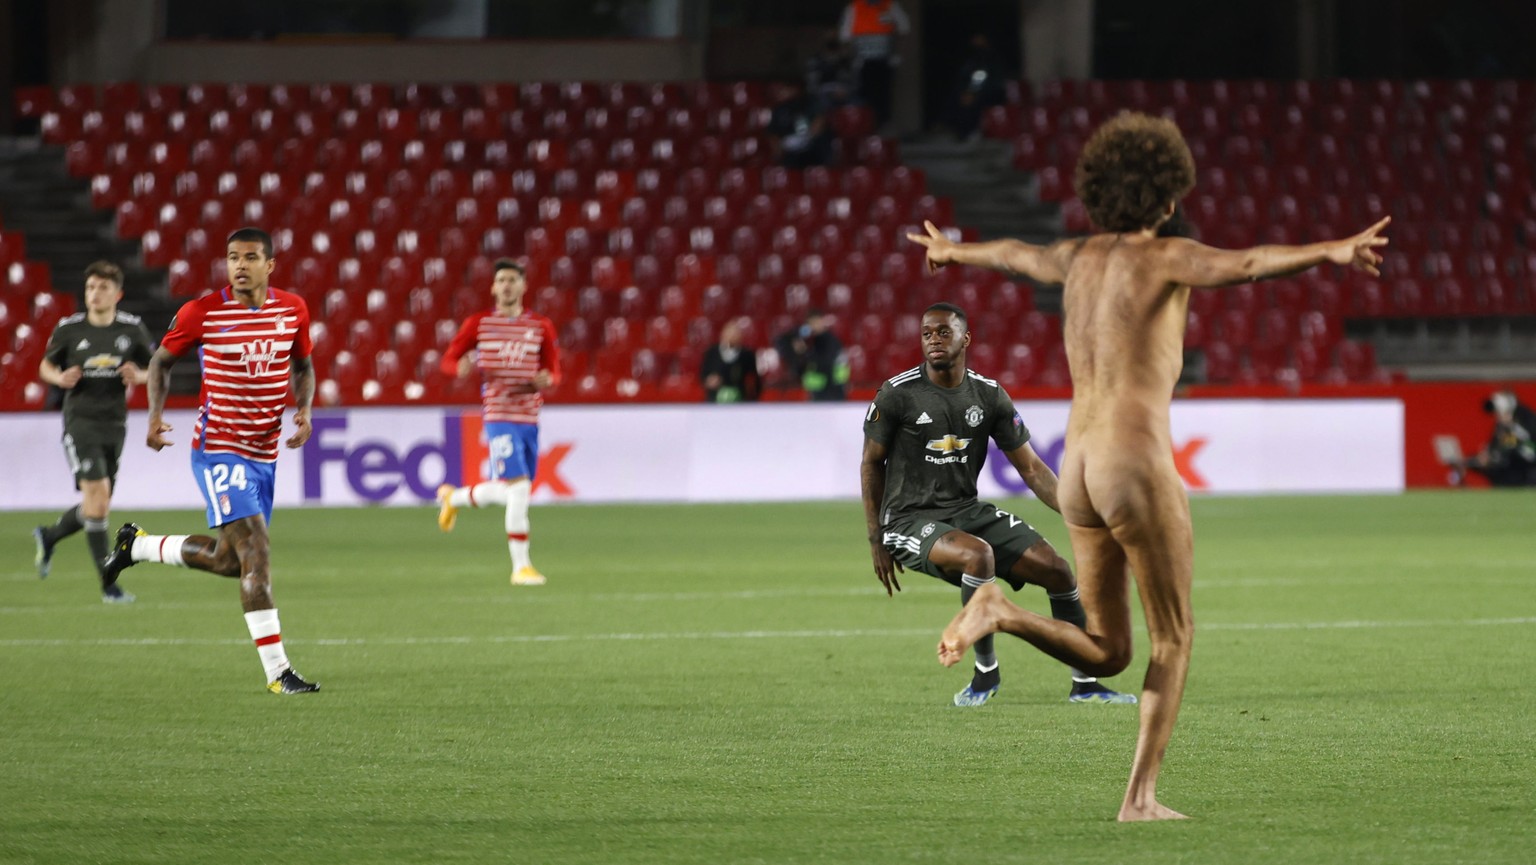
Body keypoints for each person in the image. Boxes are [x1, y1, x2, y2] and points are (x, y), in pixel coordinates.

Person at [906, 112, 1390, 821]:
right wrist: (1332, 250)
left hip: (1078, 468)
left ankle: (1000, 610)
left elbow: (1014, 252)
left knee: (1107, 651)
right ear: (1168, 198)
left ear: (1098, 191)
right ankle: (1139, 798)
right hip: (1133, 462)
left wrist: (953, 252)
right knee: (1174, 636)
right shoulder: (1168, 256)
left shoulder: (1075, 256)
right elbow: (1250, 262)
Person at [861, 302, 1135, 707]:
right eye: (926, 333)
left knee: (1058, 571)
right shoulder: (898, 393)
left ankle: (1086, 682)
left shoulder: (988, 396)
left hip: (966, 511)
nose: (933, 340)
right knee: (979, 557)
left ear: (965, 338)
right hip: (908, 519)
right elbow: (870, 463)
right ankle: (984, 676)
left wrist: (1081, 517)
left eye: (943, 332)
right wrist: (877, 537)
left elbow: (1033, 470)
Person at [100, 226, 320, 695]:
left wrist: (303, 409)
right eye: (232, 257)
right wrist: (155, 417)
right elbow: (160, 362)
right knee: (256, 554)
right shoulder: (202, 312)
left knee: (229, 562)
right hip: (219, 449)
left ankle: (136, 546)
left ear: (270, 265)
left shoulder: (292, 309)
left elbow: (302, 365)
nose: (239, 265)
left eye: (250, 257)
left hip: (264, 454)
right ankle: (279, 673)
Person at [434, 258, 562, 586]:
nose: (506, 285)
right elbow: (448, 359)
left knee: (513, 491)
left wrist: (548, 379)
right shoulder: (479, 324)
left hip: (529, 416)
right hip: (499, 414)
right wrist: (457, 368)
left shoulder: (540, 326)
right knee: (518, 488)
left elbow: (554, 369)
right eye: (501, 280)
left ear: (523, 286)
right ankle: (521, 567)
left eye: (512, 280)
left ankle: (454, 498)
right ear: (493, 287)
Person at [32, 261, 153, 602]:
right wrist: (59, 378)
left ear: (118, 293)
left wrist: (138, 376)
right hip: (80, 421)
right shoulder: (69, 328)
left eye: (102, 287)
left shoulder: (132, 329)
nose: (94, 294)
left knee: (96, 506)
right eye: (90, 288)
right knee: (98, 500)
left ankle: (50, 535)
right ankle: (108, 584)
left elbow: (156, 365)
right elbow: (45, 365)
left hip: (115, 423)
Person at [838, 0, 910, 128]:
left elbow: (904, 29)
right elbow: (845, 37)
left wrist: (898, 55)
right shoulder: (854, 7)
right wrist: (849, 59)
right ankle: (866, 125)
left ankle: (883, 123)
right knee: (864, 94)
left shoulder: (890, 5)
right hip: (862, 61)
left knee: (883, 93)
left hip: (884, 59)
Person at [1447, 391, 1536, 486]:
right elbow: (1495, 447)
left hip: (1525, 471)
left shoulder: (1523, 425)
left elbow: (1510, 447)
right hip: (1508, 467)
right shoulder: (1501, 427)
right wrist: (1483, 456)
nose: (1497, 416)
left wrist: (1491, 456)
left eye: (1500, 412)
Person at [774, 309, 849, 402]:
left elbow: (825, 363)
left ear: (822, 321)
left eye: (816, 322)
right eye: (811, 323)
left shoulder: (832, 341)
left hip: (833, 391)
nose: (814, 326)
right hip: (816, 391)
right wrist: (797, 333)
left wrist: (805, 352)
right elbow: (781, 341)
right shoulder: (810, 339)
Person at [947, 33, 1009, 142]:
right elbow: (968, 79)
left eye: (979, 39)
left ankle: (975, 131)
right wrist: (967, 92)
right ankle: (959, 131)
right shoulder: (972, 60)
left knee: (976, 102)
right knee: (957, 98)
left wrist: (975, 93)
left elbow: (994, 81)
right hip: (972, 92)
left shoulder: (993, 58)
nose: (976, 43)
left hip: (991, 93)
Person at [766, 80, 835, 169]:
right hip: (790, 151)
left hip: (812, 145)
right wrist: (779, 147)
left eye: (784, 89)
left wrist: (808, 136)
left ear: (795, 89)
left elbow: (819, 121)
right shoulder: (778, 110)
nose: (780, 93)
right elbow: (772, 133)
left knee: (822, 145)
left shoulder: (810, 102)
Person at [699, 317, 761, 403]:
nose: (732, 336)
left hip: (740, 399)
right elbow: (703, 374)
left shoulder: (747, 354)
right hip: (714, 399)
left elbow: (755, 378)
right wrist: (709, 381)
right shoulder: (712, 352)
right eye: (729, 332)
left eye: (735, 333)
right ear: (722, 334)